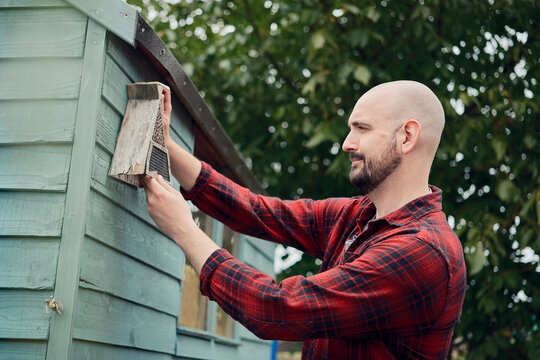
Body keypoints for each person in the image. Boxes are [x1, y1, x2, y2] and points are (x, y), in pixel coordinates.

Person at [142, 80, 466, 359]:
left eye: (362, 129)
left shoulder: (420, 251)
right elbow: (262, 213)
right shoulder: (358, 215)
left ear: (407, 136)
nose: (346, 144)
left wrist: (184, 229)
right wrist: (168, 146)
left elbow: (278, 309)